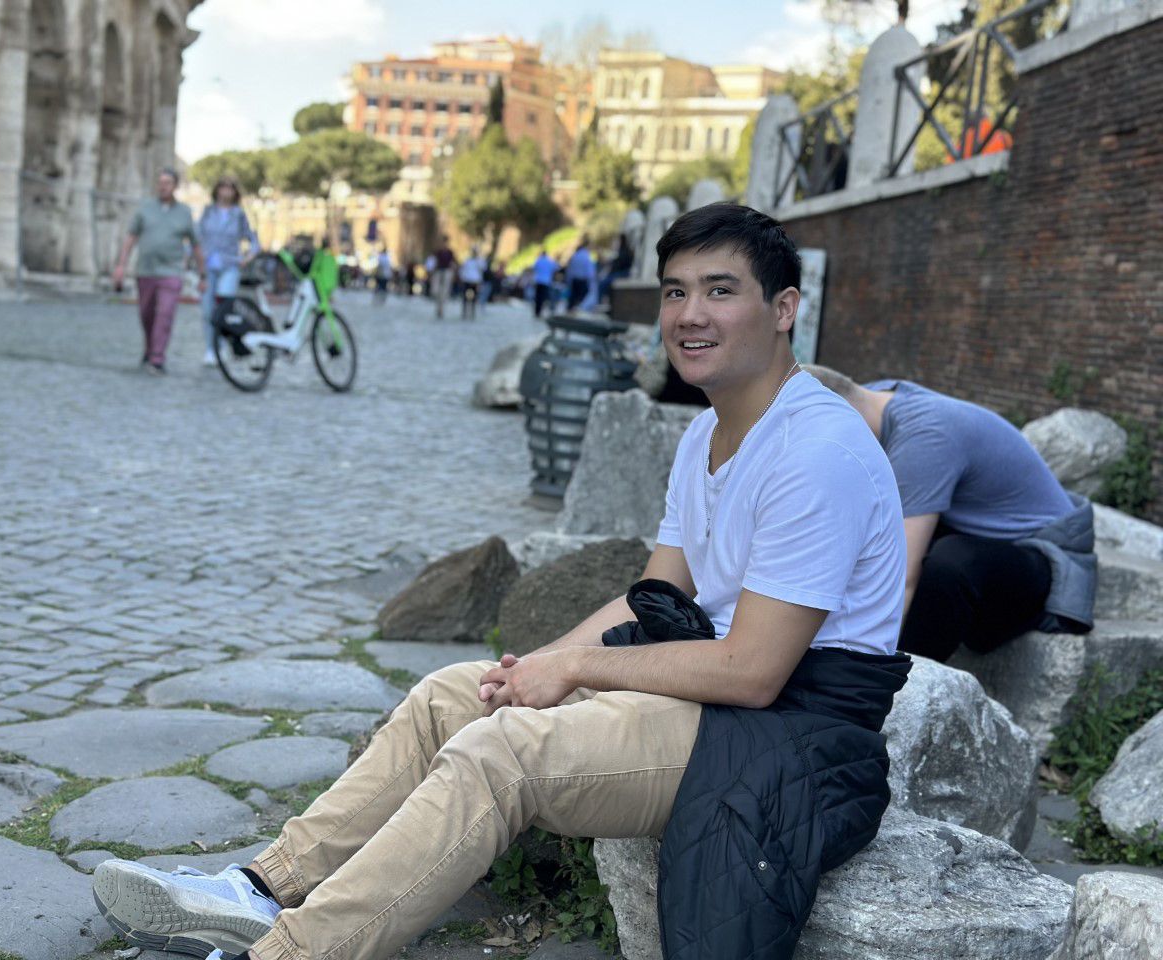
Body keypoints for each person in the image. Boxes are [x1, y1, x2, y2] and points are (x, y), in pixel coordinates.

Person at [91, 203, 911, 960]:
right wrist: (531, 669)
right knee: (461, 695)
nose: (690, 314)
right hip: (707, 696)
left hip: (790, 731)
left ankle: (293, 952)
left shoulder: (817, 450)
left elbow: (755, 671)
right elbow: (655, 601)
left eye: (720, 291)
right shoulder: (706, 434)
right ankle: (263, 887)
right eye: (675, 292)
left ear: (783, 308)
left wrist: (578, 671)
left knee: (503, 752)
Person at [805, 366, 1096, 662]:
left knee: (948, 563)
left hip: (1046, 560)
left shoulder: (923, 439)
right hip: (978, 536)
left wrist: (863, 664)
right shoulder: (872, 397)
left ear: (838, 414)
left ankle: (909, 680)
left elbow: (900, 580)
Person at [112, 168, 205, 375]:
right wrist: (121, 265)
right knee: (147, 315)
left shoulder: (184, 212)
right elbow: (131, 237)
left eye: (168, 182)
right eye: (160, 182)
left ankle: (157, 358)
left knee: (165, 314)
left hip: (171, 272)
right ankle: (149, 348)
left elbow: (196, 244)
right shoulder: (145, 208)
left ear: (175, 186)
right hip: (145, 271)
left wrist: (202, 273)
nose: (163, 186)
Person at [196, 176, 260, 366]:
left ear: (235, 192)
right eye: (222, 187)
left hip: (230, 265)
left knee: (224, 305)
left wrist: (247, 257)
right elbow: (197, 238)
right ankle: (210, 348)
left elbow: (254, 240)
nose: (225, 192)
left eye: (230, 188)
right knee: (208, 309)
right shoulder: (208, 212)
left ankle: (223, 345)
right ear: (216, 190)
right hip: (208, 267)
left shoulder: (239, 214)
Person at [565, 236, 597, 311]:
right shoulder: (587, 257)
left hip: (574, 281)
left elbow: (570, 271)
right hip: (583, 282)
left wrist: (568, 281)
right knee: (581, 301)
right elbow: (590, 273)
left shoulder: (575, 256)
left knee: (573, 300)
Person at [429, 236, 456, 319]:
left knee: (444, 292)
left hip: (446, 272)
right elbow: (434, 262)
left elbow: (453, 263)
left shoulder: (450, 252)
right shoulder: (438, 252)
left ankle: (441, 309)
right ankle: (438, 307)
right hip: (438, 271)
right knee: (436, 291)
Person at [458, 246, 486, 320]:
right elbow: (463, 270)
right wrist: (462, 278)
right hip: (467, 280)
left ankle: (472, 312)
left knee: (474, 297)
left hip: (475, 281)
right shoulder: (467, 261)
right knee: (465, 297)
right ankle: (464, 312)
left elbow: (483, 268)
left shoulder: (480, 261)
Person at [531, 248, 557, 319]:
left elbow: (534, 268)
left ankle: (537, 311)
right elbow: (556, 268)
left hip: (538, 281)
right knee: (543, 298)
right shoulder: (550, 261)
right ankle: (540, 311)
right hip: (546, 281)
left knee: (537, 297)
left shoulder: (538, 260)